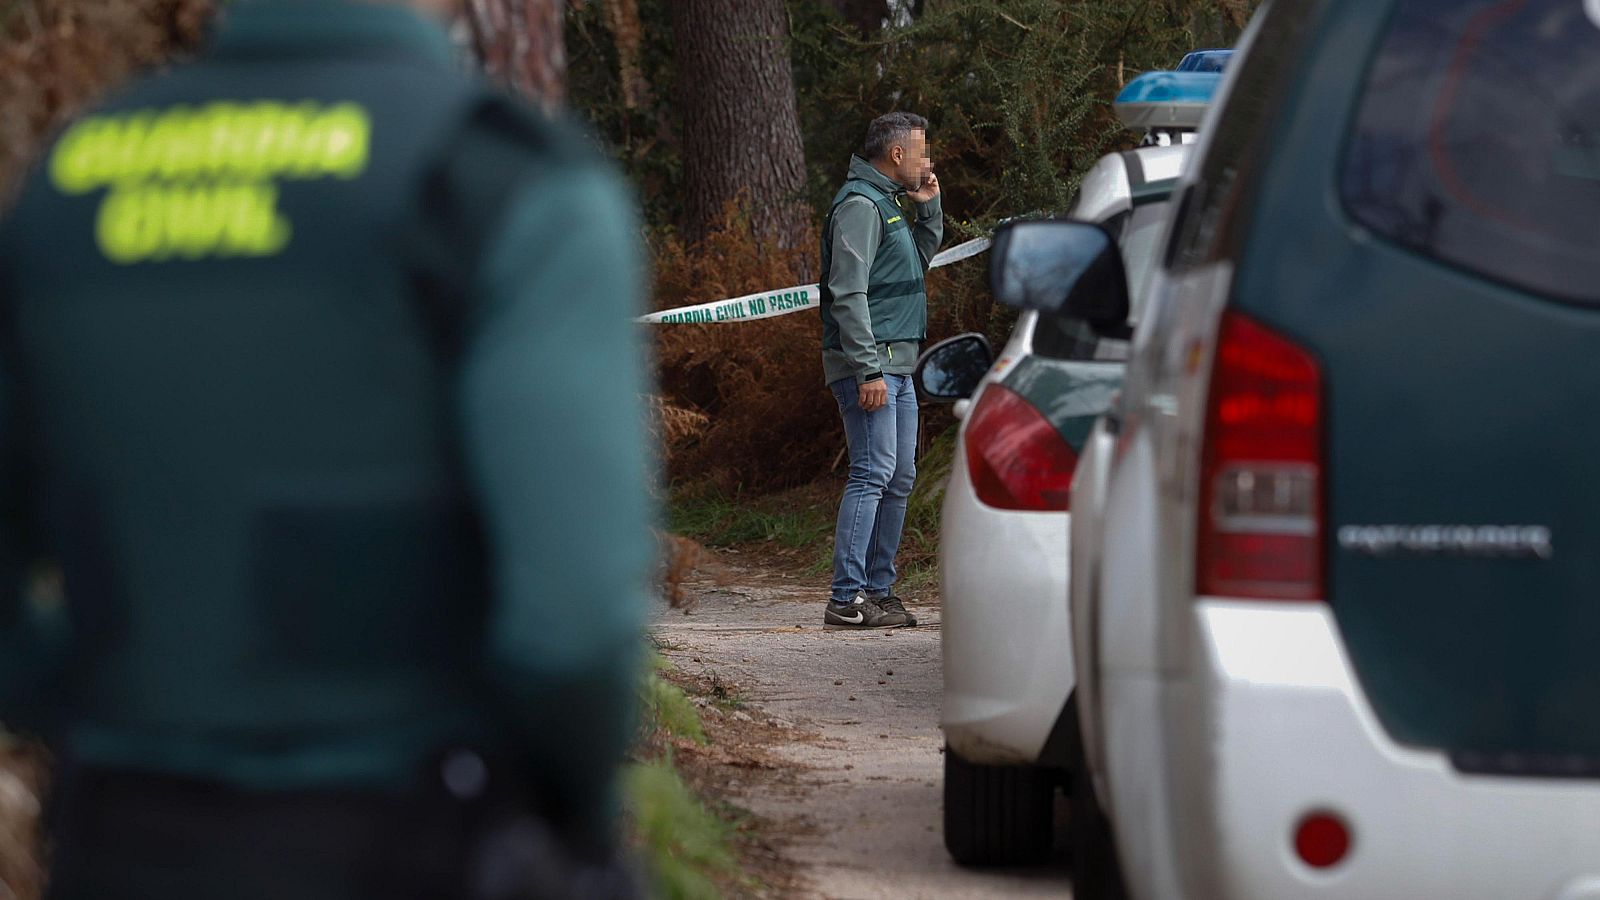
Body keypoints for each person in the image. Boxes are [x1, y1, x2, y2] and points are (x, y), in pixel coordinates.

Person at [0, 0, 653, 897]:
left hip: (118, 836)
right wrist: (571, 815)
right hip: (414, 832)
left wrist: (77, 699)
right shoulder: (500, 181)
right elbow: (574, 626)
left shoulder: (68, 182)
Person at [818, 112, 942, 630]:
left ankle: (879, 592)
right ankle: (846, 598)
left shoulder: (890, 206)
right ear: (896, 156)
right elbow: (847, 294)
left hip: (900, 366)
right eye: (921, 153)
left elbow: (917, 264)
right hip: (872, 367)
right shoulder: (860, 207)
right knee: (872, 473)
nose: (927, 162)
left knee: (900, 476)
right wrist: (867, 370)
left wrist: (929, 210)